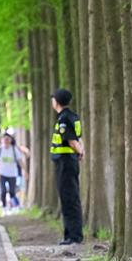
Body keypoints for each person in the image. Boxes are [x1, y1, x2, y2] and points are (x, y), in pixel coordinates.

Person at [51, 88, 84, 245]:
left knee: (69, 198)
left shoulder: (63, 119)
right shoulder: (72, 116)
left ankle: (74, 236)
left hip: (65, 163)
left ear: (56, 101)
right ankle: (70, 234)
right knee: (70, 197)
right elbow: (79, 138)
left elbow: (71, 140)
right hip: (69, 162)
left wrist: (80, 152)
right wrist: (81, 152)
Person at [0, 133, 24, 214]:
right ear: (2, 140)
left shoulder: (14, 149)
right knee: (3, 191)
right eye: (5, 139)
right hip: (1, 174)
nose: (6, 141)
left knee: (12, 192)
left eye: (8, 139)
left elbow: (20, 161)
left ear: (10, 140)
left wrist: (25, 171)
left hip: (12, 174)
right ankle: (4, 208)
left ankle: (14, 207)